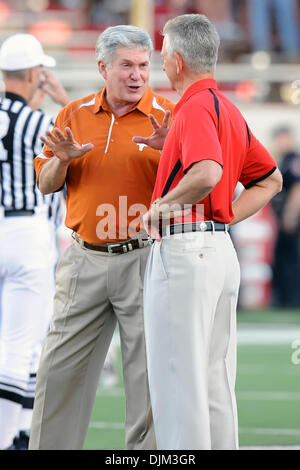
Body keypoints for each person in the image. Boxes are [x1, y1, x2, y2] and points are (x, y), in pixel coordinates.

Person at [135, 14, 282, 450]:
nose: (161, 66)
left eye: (163, 57)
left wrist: (160, 207)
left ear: (178, 61)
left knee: (179, 379)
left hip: (185, 252)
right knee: (216, 379)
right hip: (217, 249)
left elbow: (207, 170)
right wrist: (225, 217)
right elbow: (270, 179)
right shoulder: (226, 108)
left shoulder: (194, 107)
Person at [28, 25, 175, 450]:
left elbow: (197, 183)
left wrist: (171, 153)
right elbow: (45, 183)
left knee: (147, 378)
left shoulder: (167, 115)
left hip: (145, 257)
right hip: (83, 258)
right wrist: (62, 159)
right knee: (58, 372)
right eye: (126, 65)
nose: (137, 75)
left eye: (144, 66)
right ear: (102, 67)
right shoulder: (72, 114)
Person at [0, 33, 69, 450]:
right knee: (23, 344)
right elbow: (83, 147)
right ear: (32, 75)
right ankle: (9, 437)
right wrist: (63, 104)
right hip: (25, 232)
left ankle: (22, 431)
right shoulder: (39, 123)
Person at [271, 126, 300, 307]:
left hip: (292, 218)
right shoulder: (284, 160)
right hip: (284, 218)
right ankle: (284, 298)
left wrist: (290, 214)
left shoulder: (293, 160)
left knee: (290, 257)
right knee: (283, 257)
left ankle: (291, 299)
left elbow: (297, 188)